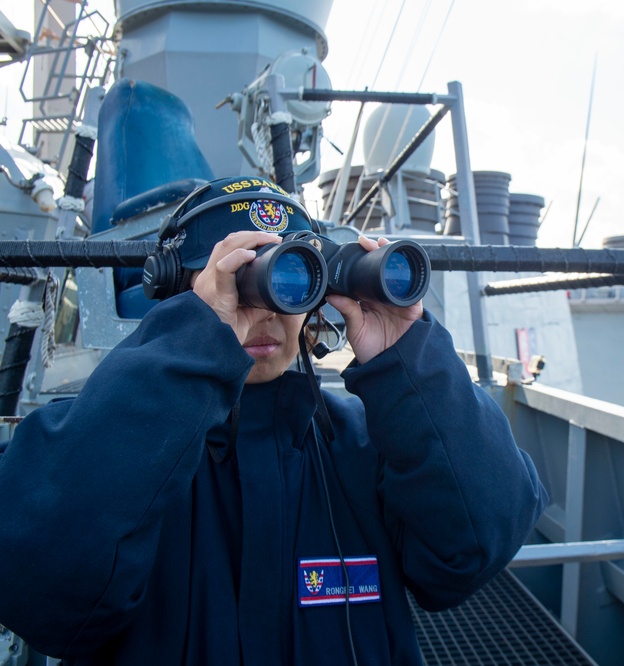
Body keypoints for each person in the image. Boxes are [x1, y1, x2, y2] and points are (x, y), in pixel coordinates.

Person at [0, 176, 548, 664]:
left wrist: (410, 362)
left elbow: (472, 552)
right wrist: (194, 340)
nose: (264, 311)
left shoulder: (368, 440)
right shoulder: (110, 442)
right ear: (181, 298)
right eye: (240, 286)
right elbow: (40, 587)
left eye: (289, 282)